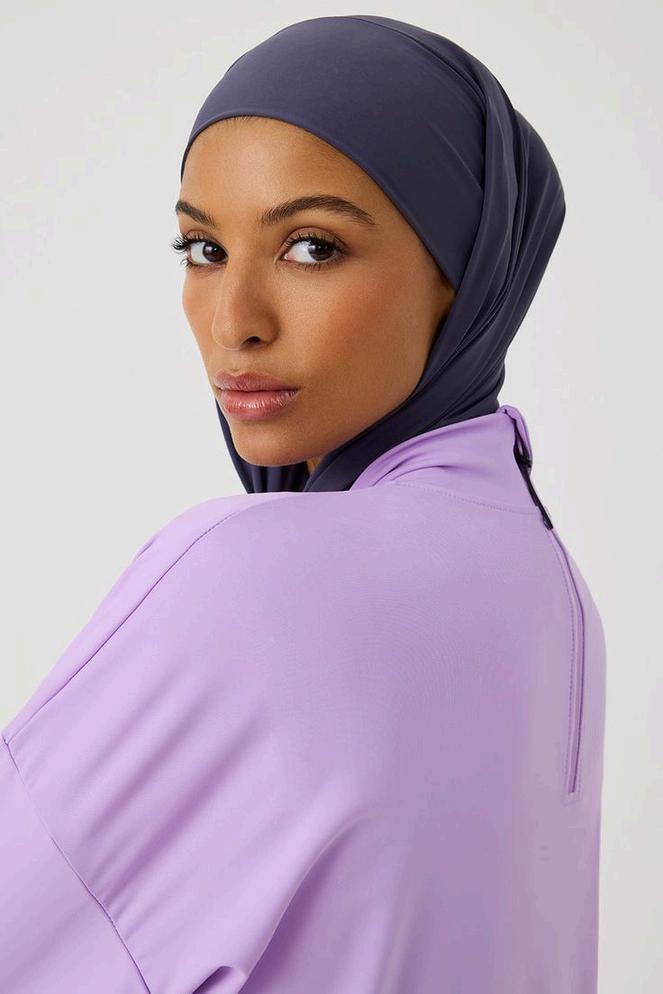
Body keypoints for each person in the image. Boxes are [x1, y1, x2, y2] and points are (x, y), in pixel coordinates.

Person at [0, 14, 606, 994]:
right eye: (203, 248)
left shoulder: (248, 576)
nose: (234, 321)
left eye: (312, 247)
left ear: (465, 275)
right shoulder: (551, 589)